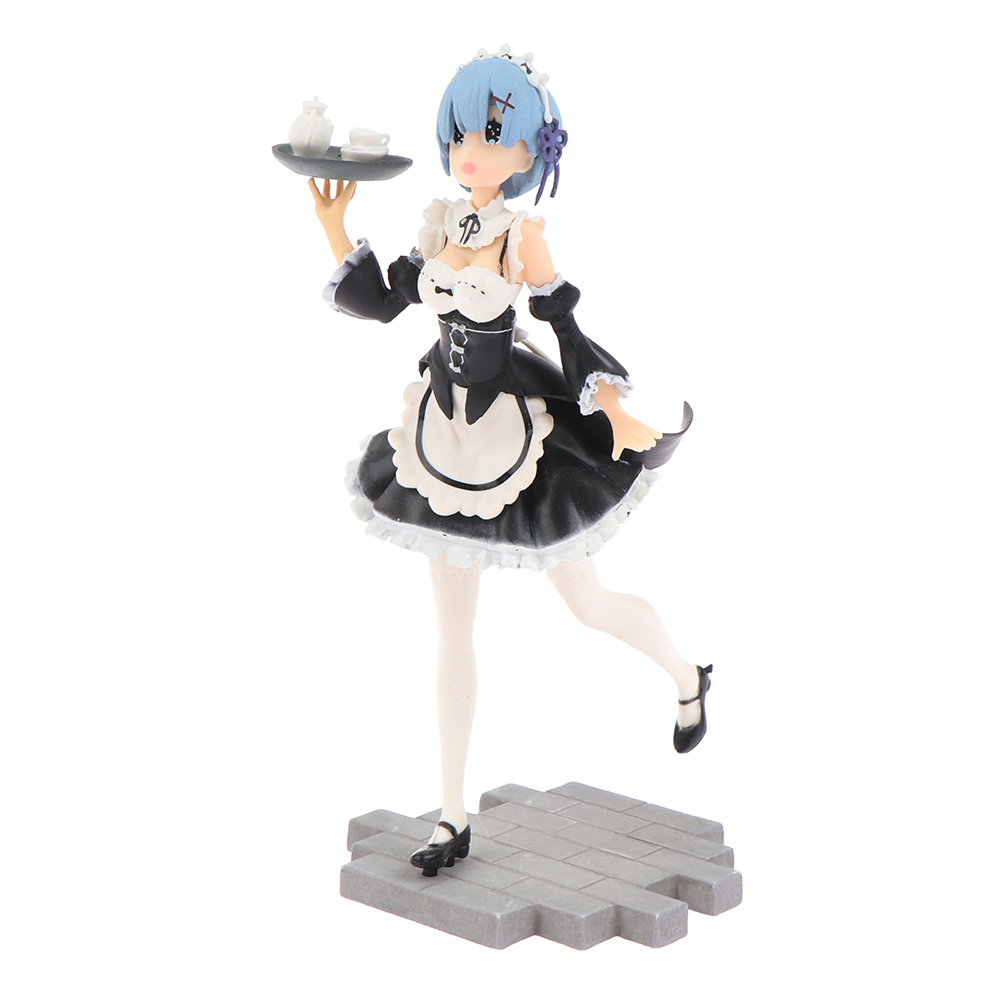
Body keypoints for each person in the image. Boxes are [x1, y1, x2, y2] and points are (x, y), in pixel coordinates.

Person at [308, 46, 711, 877]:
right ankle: (452, 816)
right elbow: (385, 302)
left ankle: (685, 674)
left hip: (520, 442)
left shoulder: (522, 238)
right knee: (451, 632)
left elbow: (565, 330)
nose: (470, 149)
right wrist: (335, 228)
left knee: (588, 605)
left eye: (491, 133)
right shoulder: (438, 224)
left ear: (532, 149)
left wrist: (611, 407)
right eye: (461, 131)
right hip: (442, 438)